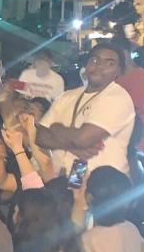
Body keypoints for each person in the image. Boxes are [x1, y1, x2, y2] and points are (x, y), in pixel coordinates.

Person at [36, 43, 137, 177]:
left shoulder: (117, 97)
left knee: (80, 193)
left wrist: (55, 128)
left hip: (102, 184)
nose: (99, 67)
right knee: (74, 194)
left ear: (118, 71)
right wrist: (71, 146)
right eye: (94, 60)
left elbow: (83, 139)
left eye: (109, 64)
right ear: (86, 65)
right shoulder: (67, 96)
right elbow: (40, 136)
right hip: (71, 175)